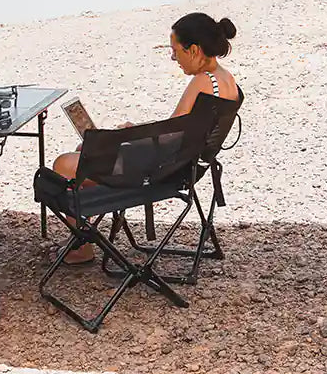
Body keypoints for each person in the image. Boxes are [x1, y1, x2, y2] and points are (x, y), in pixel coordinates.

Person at [52, 13, 239, 264]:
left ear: (193, 50)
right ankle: (86, 229)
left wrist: (124, 138)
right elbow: (180, 127)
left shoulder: (202, 82)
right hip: (185, 165)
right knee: (83, 150)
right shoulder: (227, 81)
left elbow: (170, 134)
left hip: (160, 172)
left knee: (64, 164)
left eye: (176, 51)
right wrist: (136, 130)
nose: (174, 58)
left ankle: (82, 244)